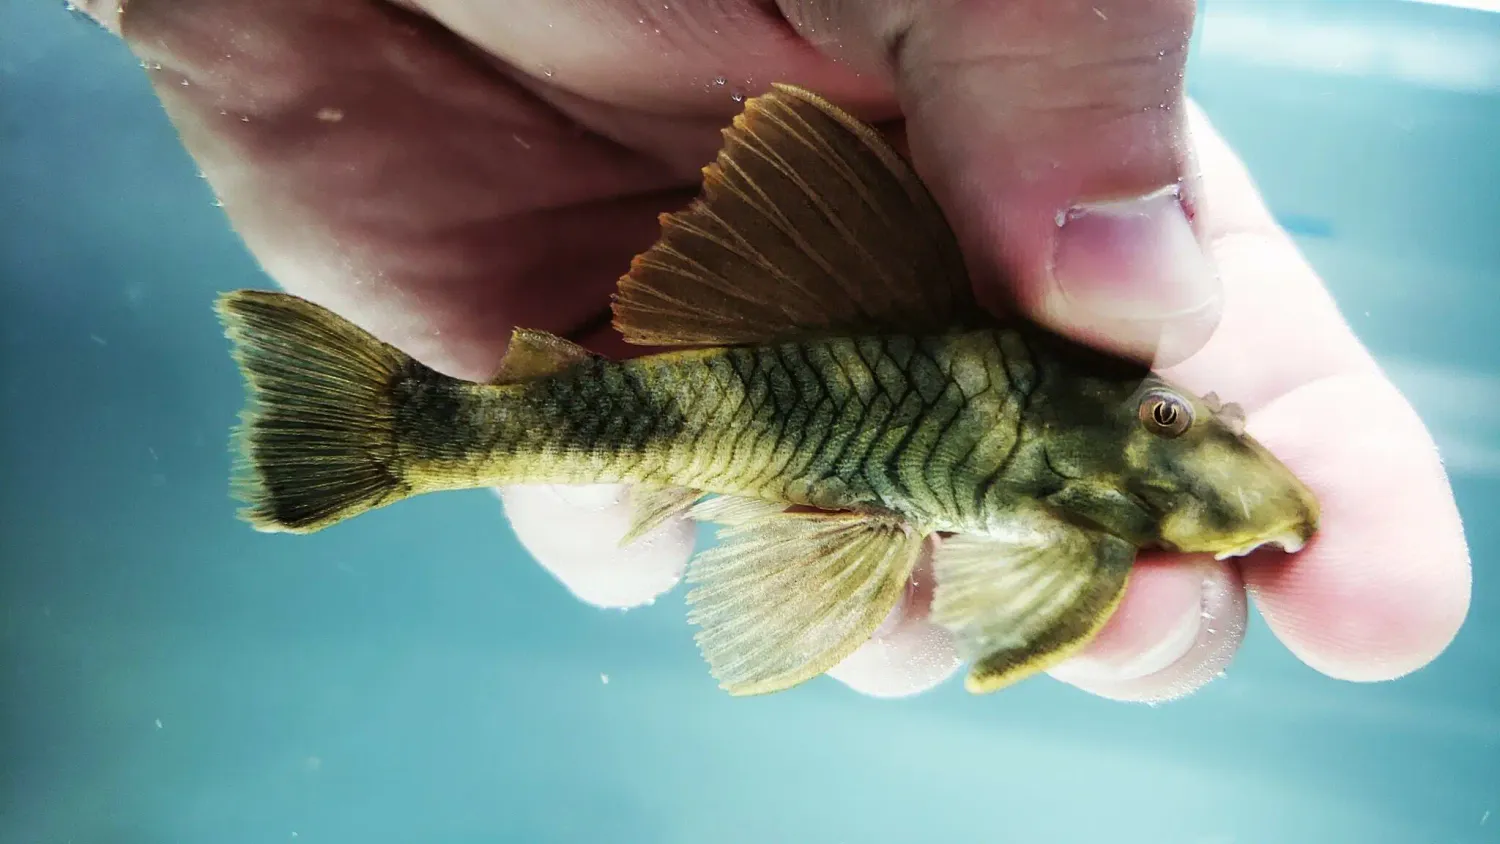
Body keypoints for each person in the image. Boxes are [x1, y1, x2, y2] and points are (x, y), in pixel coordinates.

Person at [80, 0, 1470, 701]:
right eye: (1180, 423)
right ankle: (409, 428)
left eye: (1190, 423)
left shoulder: (1093, 472)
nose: (1194, 426)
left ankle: (410, 429)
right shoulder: (1090, 467)